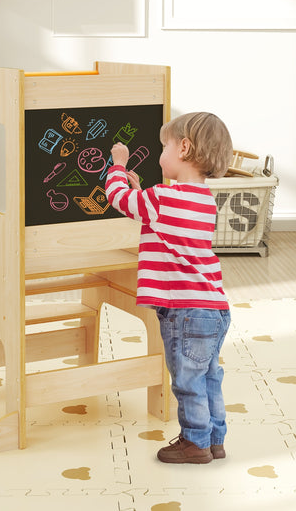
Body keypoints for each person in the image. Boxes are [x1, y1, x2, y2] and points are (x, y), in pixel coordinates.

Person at [105, 112, 233, 464]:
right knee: (208, 376)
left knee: (186, 382)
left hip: (184, 310)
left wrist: (117, 165)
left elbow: (118, 198)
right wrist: (141, 193)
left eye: (165, 146)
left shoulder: (160, 199)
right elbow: (162, 218)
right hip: (214, 308)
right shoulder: (204, 201)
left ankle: (194, 443)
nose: (161, 153)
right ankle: (214, 439)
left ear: (184, 148)